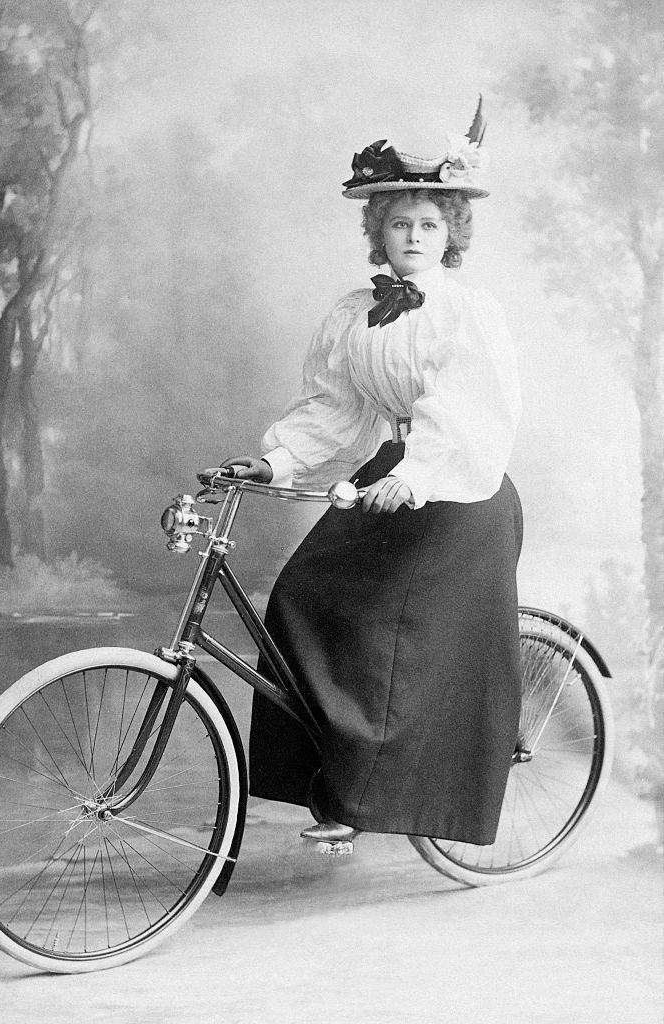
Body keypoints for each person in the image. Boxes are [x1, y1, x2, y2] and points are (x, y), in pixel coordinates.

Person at [222, 98, 524, 848]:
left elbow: (469, 411)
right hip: (387, 473)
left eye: (428, 224)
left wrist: (416, 475)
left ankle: (383, 798)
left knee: (388, 630)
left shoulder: (466, 312)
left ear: (451, 231)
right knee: (300, 596)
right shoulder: (356, 312)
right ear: (376, 232)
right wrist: (275, 458)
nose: (413, 237)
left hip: (458, 489)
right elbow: (334, 407)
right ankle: (334, 790)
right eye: (398, 223)